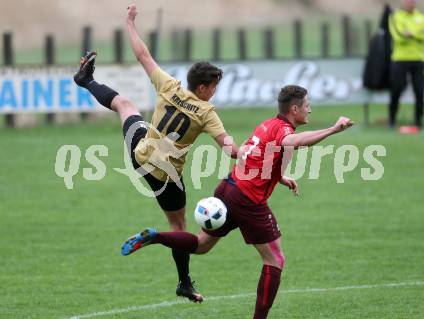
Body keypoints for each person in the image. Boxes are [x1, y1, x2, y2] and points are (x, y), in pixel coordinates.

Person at [121, 85, 353, 318]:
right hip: (248, 200)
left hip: (228, 187)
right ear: (295, 109)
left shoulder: (266, 124)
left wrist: (279, 176)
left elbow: (255, 155)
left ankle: (155, 236)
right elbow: (295, 141)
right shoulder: (283, 129)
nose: (309, 110)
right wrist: (333, 129)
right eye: (306, 105)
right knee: (275, 260)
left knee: (201, 245)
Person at [73, 4, 239, 303]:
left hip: (140, 154)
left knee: (124, 105)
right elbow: (230, 150)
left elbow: (142, 56)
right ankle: (184, 283)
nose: (215, 91)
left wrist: (130, 23)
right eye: (214, 86)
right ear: (203, 88)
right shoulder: (207, 113)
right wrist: (254, 150)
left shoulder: (170, 85)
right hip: (165, 175)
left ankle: (86, 82)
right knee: (178, 226)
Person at [388, 0, 424, 129]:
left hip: (418, 59)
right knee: (397, 89)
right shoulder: (395, 17)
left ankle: (418, 122)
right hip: (400, 59)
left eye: (412, 1)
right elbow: (399, 38)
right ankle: (392, 119)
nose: (410, 3)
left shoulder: (422, 17)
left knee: (419, 91)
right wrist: (419, 33)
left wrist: (411, 33)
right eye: (408, 1)